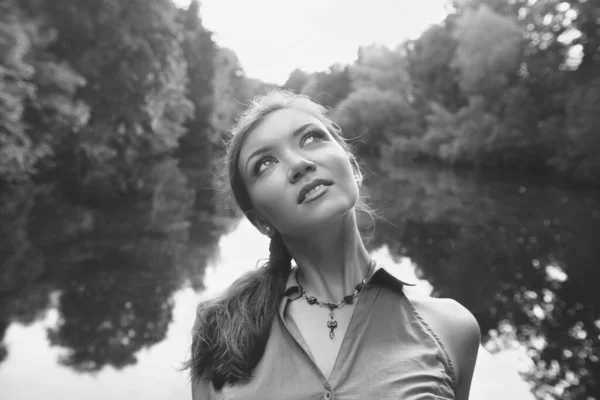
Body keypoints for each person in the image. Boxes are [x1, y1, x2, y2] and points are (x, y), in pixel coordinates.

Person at [185, 89, 480, 399]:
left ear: (352, 167)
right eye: (265, 163)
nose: (298, 164)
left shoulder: (451, 329)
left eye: (311, 138)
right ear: (260, 221)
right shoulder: (220, 329)